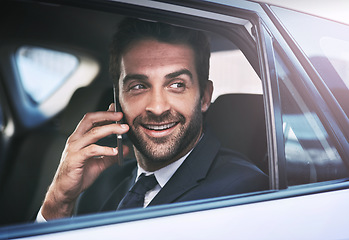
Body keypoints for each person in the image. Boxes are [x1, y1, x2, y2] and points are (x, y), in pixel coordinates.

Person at [38, 18, 268, 221]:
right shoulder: (100, 182)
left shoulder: (243, 191)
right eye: (138, 86)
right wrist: (59, 200)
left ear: (204, 97)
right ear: (118, 100)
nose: (157, 108)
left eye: (177, 85)